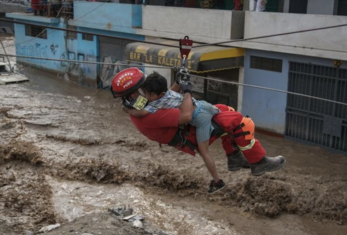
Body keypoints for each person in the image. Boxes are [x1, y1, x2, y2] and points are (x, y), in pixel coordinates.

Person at [110, 68, 286, 194]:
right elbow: (186, 115)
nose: (145, 91)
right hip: (190, 134)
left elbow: (165, 96)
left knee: (226, 109)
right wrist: (187, 90)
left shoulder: (144, 103)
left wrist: (179, 81)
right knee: (241, 122)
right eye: (142, 89)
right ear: (134, 94)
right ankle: (258, 162)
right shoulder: (149, 116)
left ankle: (234, 158)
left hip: (189, 124)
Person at [126, 71, 223, 192]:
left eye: (148, 94)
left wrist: (128, 110)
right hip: (203, 105)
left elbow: (140, 112)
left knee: (204, 152)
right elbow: (175, 88)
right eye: (144, 92)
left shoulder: (154, 104)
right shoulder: (169, 92)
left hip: (200, 118)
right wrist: (180, 81)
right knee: (226, 118)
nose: (146, 97)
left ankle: (218, 182)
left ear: (159, 94)